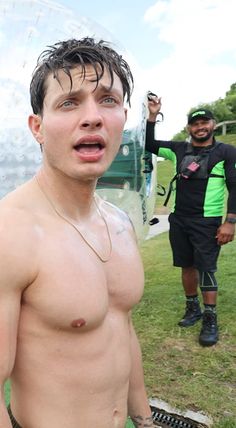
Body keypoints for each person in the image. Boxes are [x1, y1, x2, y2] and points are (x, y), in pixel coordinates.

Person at [0, 38, 155, 428]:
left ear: (122, 115)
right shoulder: (11, 232)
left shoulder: (119, 223)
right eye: (69, 103)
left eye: (107, 100)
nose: (92, 117)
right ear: (37, 126)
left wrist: (145, 419)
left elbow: (123, 332)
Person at [145, 95, 236, 347]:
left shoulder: (226, 152)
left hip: (207, 221)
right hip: (179, 219)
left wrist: (229, 222)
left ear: (213, 125)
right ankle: (192, 308)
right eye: (195, 124)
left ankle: (210, 317)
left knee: (206, 267)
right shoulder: (178, 150)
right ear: (189, 128)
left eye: (204, 122)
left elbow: (235, 186)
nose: (200, 127)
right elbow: (148, 143)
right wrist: (152, 115)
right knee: (186, 265)